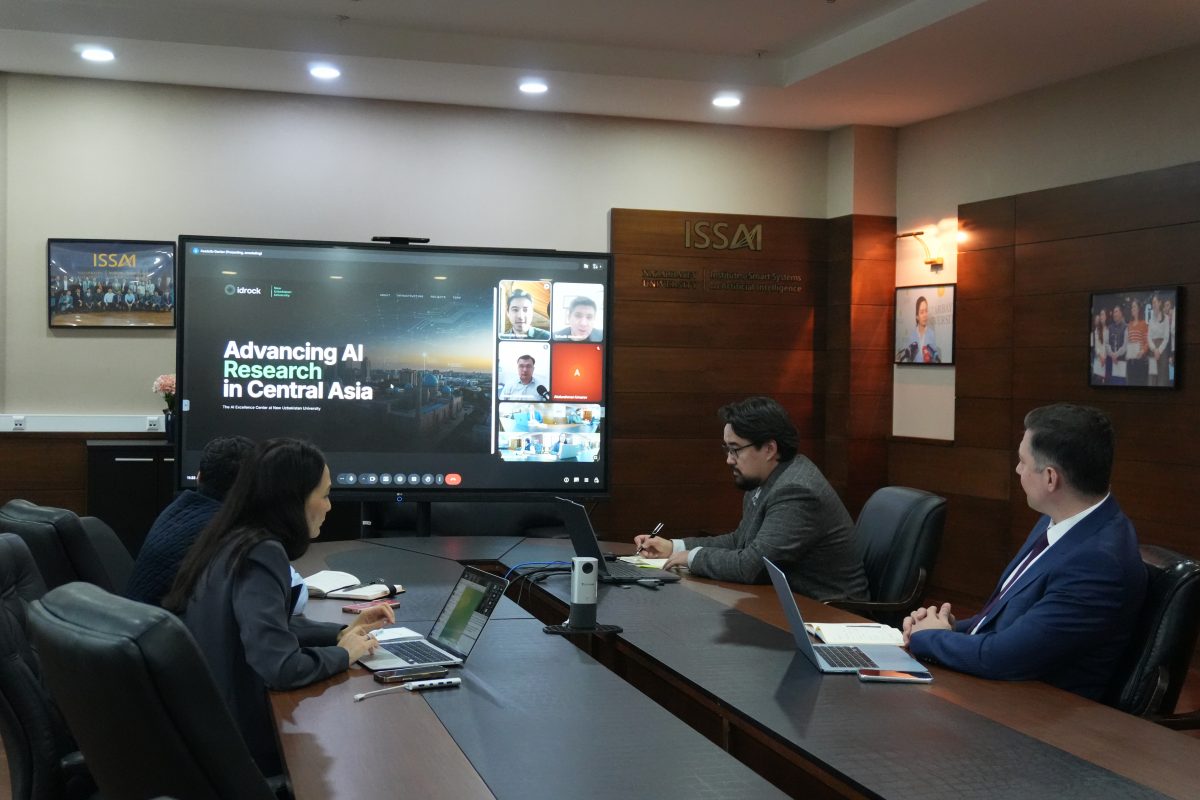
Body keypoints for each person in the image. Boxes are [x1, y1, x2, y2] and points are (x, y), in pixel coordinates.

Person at [164, 438, 393, 774]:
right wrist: (344, 654)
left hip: (212, 729)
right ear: (294, 500)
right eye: (325, 494)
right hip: (245, 748)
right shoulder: (262, 552)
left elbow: (267, 625)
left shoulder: (232, 537)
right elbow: (282, 668)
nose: (330, 506)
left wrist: (342, 632)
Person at [903, 404, 1146, 701]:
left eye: (1022, 461)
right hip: (1000, 688)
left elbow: (1002, 657)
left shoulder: (1098, 564)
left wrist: (930, 637)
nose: (1018, 470)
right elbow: (1010, 623)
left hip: (1036, 711)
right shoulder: (1058, 520)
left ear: (1050, 478)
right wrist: (947, 628)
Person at [633, 396, 868, 601]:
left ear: (769, 449)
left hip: (830, 616)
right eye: (727, 449)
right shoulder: (768, 478)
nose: (729, 459)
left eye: (735, 449)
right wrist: (674, 547)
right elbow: (741, 541)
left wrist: (692, 557)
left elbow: (752, 566)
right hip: (788, 602)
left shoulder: (796, 490)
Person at [126, 435, 256, 606]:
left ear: (199, 477)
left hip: (140, 616)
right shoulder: (226, 529)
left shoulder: (179, 509)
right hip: (165, 620)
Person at [906, 295, 940, 363]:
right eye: (922, 312)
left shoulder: (932, 334)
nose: (925, 315)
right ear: (917, 316)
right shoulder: (911, 336)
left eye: (926, 311)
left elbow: (935, 361)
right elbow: (908, 360)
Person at [1147, 293, 1171, 386]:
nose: (1153, 304)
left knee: (1162, 379)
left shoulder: (1166, 318)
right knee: (1152, 379)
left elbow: (1166, 337)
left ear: (1160, 303)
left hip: (1163, 351)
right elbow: (1149, 337)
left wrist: (1159, 351)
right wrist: (1154, 349)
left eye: (1155, 302)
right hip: (1152, 351)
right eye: (1152, 303)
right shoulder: (1150, 320)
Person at [1125, 298, 1149, 385]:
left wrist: (1142, 351)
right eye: (1132, 307)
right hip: (1131, 361)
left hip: (1140, 361)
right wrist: (1127, 353)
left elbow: (1147, 342)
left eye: (1134, 307)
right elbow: (1128, 342)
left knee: (1140, 384)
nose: (1132, 309)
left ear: (1139, 309)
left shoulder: (1143, 324)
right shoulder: (1129, 324)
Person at [1106, 303, 1128, 385]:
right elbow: (1106, 344)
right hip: (1111, 362)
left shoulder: (1126, 327)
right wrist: (1112, 354)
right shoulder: (1109, 327)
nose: (1114, 314)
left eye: (1116, 312)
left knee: (1121, 384)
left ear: (1121, 313)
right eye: (1114, 312)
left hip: (1121, 362)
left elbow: (1125, 345)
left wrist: (1116, 354)